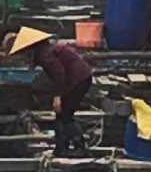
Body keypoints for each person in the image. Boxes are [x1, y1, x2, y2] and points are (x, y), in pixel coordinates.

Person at [8, 26, 94, 156]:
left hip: (79, 80)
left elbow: (59, 73)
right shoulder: (45, 50)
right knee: (61, 116)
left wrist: (57, 96)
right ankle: (61, 147)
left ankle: (79, 146)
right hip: (76, 80)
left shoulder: (45, 54)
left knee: (65, 115)